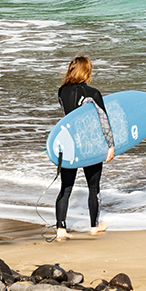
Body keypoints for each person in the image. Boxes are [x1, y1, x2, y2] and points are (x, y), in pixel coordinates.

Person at [55, 55, 114, 241]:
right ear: (87, 71)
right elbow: (104, 121)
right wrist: (110, 145)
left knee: (65, 187)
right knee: (93, 187)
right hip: (90, 144)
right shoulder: (93, 93)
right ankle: (94, 226)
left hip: (69, 144)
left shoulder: (61, 91)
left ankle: (60, 228)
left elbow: (68, 116)